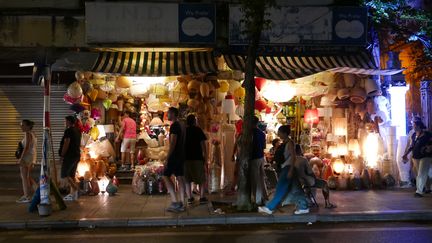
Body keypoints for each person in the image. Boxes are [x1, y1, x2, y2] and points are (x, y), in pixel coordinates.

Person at [258, 125, 309, 215]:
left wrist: (291, 170)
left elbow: (293, 157)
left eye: (280, 132)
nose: (278, 134)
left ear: (285, 133)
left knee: (280, 188)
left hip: (288, 168)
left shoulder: (289, 143)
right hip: (287, 168)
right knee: (296, 188)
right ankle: (303, 206)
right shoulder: (285, 142)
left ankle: (270, 207)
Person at [294, 144, 336, 209]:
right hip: (306, 181)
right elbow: (310, 172)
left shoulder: (291, 160)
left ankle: (310, 201)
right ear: (299, 150)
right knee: (324, 183)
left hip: (298, 181)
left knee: (307, 185)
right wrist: (315, 178)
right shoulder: (303, 160)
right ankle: (327, 204)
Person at [163, 107, 187, 212]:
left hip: (174, 155)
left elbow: (173, 142)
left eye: (168, 113)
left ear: (173, 114)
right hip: (181, 155)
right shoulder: (182, 125)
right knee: (180, 178)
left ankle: (174, 201)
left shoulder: (174, 126)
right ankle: (181, 203)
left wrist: (167, 157)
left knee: (165, 175)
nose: (167, 115)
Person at [184, 114, 208, 205]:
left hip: (186, 158)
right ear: (194, 121)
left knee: (187, 179)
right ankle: (202, 197)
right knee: (201, 178)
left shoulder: (184, 131)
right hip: (197, 157)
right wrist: (205, 156)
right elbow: (203, 144)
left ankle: (190, 198)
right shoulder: (198, 130)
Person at [59, 116, 82, 201]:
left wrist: (62, 155)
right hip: (76, 155)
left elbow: (66, 142)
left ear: (68, 122)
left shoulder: (68, 131)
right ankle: (72, 194)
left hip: (69, 156)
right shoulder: (78, 130)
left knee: (65, 174)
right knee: (71, 175)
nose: (64, 123)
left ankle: (76, 190)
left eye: (65, 121)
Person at [16, 119, 37, 203]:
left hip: (26, 157)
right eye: (21, 125)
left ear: (28, 126)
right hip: (31, 157)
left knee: (24, 177)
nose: (21, 126)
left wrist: (21, 158)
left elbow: (27, 147)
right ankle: (38, 190)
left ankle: (26, 196)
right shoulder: (33, 134)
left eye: (23, 125)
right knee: (27, 177)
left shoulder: (28, 134)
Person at [411, 120, 432, 197]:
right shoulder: (414, 135)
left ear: (418, 126)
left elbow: (430, 143)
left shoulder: (427, 134)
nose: (413, 126)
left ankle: (419, 191)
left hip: (426, 156)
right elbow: (412, 146)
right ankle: (428, 188)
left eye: (414, 125)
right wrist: (406, 154)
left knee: (421, 173)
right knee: (421, 173)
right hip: (416, 157)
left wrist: (428, 147)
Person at [250, 116, 268, 205]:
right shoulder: (262, 133)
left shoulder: (250, 133)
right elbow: (264, 146)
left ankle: (257, 200)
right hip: (261, 157)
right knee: (261, 177)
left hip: (254, 158)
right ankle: (265, 196)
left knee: (255, 180)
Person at [402, 116, 423, 187]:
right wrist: (405, 153)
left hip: (421, 154)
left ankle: (421, 185)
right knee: (414, 169)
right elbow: (409, 144)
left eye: (413, 122)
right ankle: (417, 183)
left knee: (420, 170)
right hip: (413, 153)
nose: (412, 124)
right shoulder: (411, 132)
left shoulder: (423, 132)